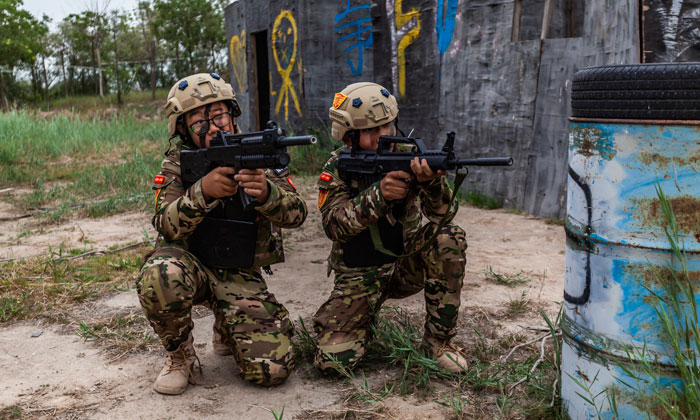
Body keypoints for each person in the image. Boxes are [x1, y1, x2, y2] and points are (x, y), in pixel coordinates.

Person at [136, 73, 307, 394]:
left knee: (272, 371)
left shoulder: (256, 152)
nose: (214, 126)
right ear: (183, 129)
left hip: (239, 271)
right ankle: (179, 355)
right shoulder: (177, 164)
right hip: (190, 267)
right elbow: (165, 224)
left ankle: (226, 326)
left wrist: (267, 194)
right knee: (159, 273)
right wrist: (202, 191)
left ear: (232, 113)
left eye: (219, 115)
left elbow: (298, 215)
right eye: (200, 122)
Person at [313, 82, 468, 373]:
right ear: (349, 137)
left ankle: (439, 343)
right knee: (334, 363)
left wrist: (432, 183)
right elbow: (334, 226)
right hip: (358, 275)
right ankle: (356, 323)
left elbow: (444, 216)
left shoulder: (409, 157)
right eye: (371, 131)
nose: (383, 136)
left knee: (449, 238)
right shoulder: (338, 166)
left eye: (387, 126)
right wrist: (379, 196)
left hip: (404, 265)